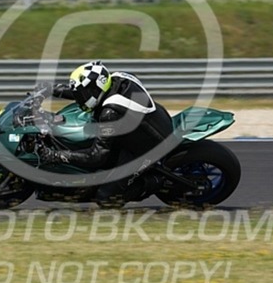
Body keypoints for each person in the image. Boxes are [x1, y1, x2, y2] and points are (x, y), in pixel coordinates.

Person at [37, 60, 173, 206]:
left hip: (149, 148)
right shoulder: (116, 79)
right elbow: (85, 92)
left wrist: (57, 156)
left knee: (106, 199)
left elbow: (97, 156)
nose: (81, 98)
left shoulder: (110, 113)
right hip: (151, 123)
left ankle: (157, 181)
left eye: (85, 93)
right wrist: (53, 89)